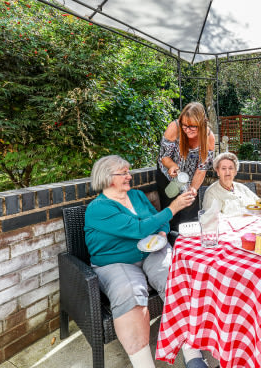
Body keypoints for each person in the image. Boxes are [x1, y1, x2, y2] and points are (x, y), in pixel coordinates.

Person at [84, 155, 208, 368]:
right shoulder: (99, 208)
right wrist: (175, 207)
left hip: (151, 251)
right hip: (116, 262)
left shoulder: (137, 196)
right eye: (123, 173)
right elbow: (139, 229)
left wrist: (161, 233)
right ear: (106, 178)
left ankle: (193, 355)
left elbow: (158, 219)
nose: (129, 176)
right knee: (130, 293)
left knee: (176, 281)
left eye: (127, 172)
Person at [157, 102, 216, 231]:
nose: (187, 130)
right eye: (185, 126)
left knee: (190, 212)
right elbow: (164, 157)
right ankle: (170, 242)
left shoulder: (209, 137)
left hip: (190, 177)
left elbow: (202, 169)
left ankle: (188, 243)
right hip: (168, 175)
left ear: (201, 123)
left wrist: (193, 188)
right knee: (171, 213)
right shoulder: (175, 127)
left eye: (192, 126)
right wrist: (173, 167)